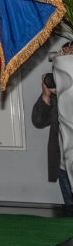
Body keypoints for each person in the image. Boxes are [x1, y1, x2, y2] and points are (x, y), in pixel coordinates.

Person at [32, 70, 73, 206]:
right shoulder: (58, 96)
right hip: (64, 168)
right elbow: (38, 121)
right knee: (69, 212)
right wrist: (46, 95)